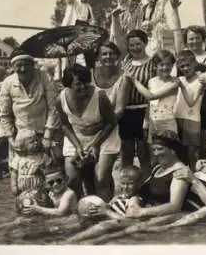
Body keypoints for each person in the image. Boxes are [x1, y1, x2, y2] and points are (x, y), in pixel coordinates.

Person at [0, 50, 59, 196]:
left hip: (45, 132)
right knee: (20, 176)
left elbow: (53, 108)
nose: (23, 69)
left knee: (50, 176)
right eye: (19, 66)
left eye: (26, 65)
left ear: (33, 65)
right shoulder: (8, 83)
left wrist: (48, 136)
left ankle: (49, 208)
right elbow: (4, 114)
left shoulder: (44, 77)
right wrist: (12, 140)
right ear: (13, 67)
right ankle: (24, 208)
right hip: (20, 137)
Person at [56, 64, 120, 200]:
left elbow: (112, 122)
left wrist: (96, 144)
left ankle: (104, 209)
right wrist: (78, 147)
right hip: (76, 136)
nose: (83, 87)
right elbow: (65, 125)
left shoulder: (100, 96)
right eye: (78, 84)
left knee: (101, 178)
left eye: (86, 82)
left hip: (103, 136)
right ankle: (81, 207)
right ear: (68, 85)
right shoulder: (60, 99)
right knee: (72, 179)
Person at [109, 20, 152, 176]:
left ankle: (147, 185)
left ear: (145, 43)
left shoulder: (153, 62)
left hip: (145, 111)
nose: (135, 48)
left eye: (138, 44)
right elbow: (119, 39)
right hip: (125, 112)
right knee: (126, 153)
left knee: (143, 153)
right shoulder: (126, 61)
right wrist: (116, 19)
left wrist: (148, 117)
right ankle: (127, 185)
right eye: (132, 45)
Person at [92, 41, 131, 199]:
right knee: (92, 176)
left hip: (111, 129)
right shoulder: (90, 74)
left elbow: (120, 110)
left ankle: (104, 207)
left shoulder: (124, 78)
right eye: (104, 53)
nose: (107, 57)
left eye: (111, 53)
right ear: (99, 57)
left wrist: (102, 126)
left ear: (117, 56)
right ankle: (100, 203)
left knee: (102, 175)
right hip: (88, 129)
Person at [126, 131, 192, 218]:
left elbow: (175, 206)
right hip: (149, 213)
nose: (156, 153)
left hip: (164, 218)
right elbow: (143, 191)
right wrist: (134, 201)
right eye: (154, 149)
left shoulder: (180, 172)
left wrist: (142, 211)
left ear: (173, 151)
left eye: (160, 149)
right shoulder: (157, 169)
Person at [132, 50, 179, 140]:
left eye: (168, 64)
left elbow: (151, 96)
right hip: (153, 122)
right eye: (161, 64)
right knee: (154, 151)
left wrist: (135, 81)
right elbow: (149, 103)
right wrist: (145, 123)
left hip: (168, 123)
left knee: (168, 150)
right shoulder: (152, 81)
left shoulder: (174, 82)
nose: (165, 67)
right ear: (155, 66)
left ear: (172, 65)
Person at [171, 0, 206, 70]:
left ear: (203, 39)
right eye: (191, 39)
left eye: (197, 38)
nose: (195, 41)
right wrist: (175, 10)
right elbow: (177, 31)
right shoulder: (182, 54)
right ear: (186, 41)